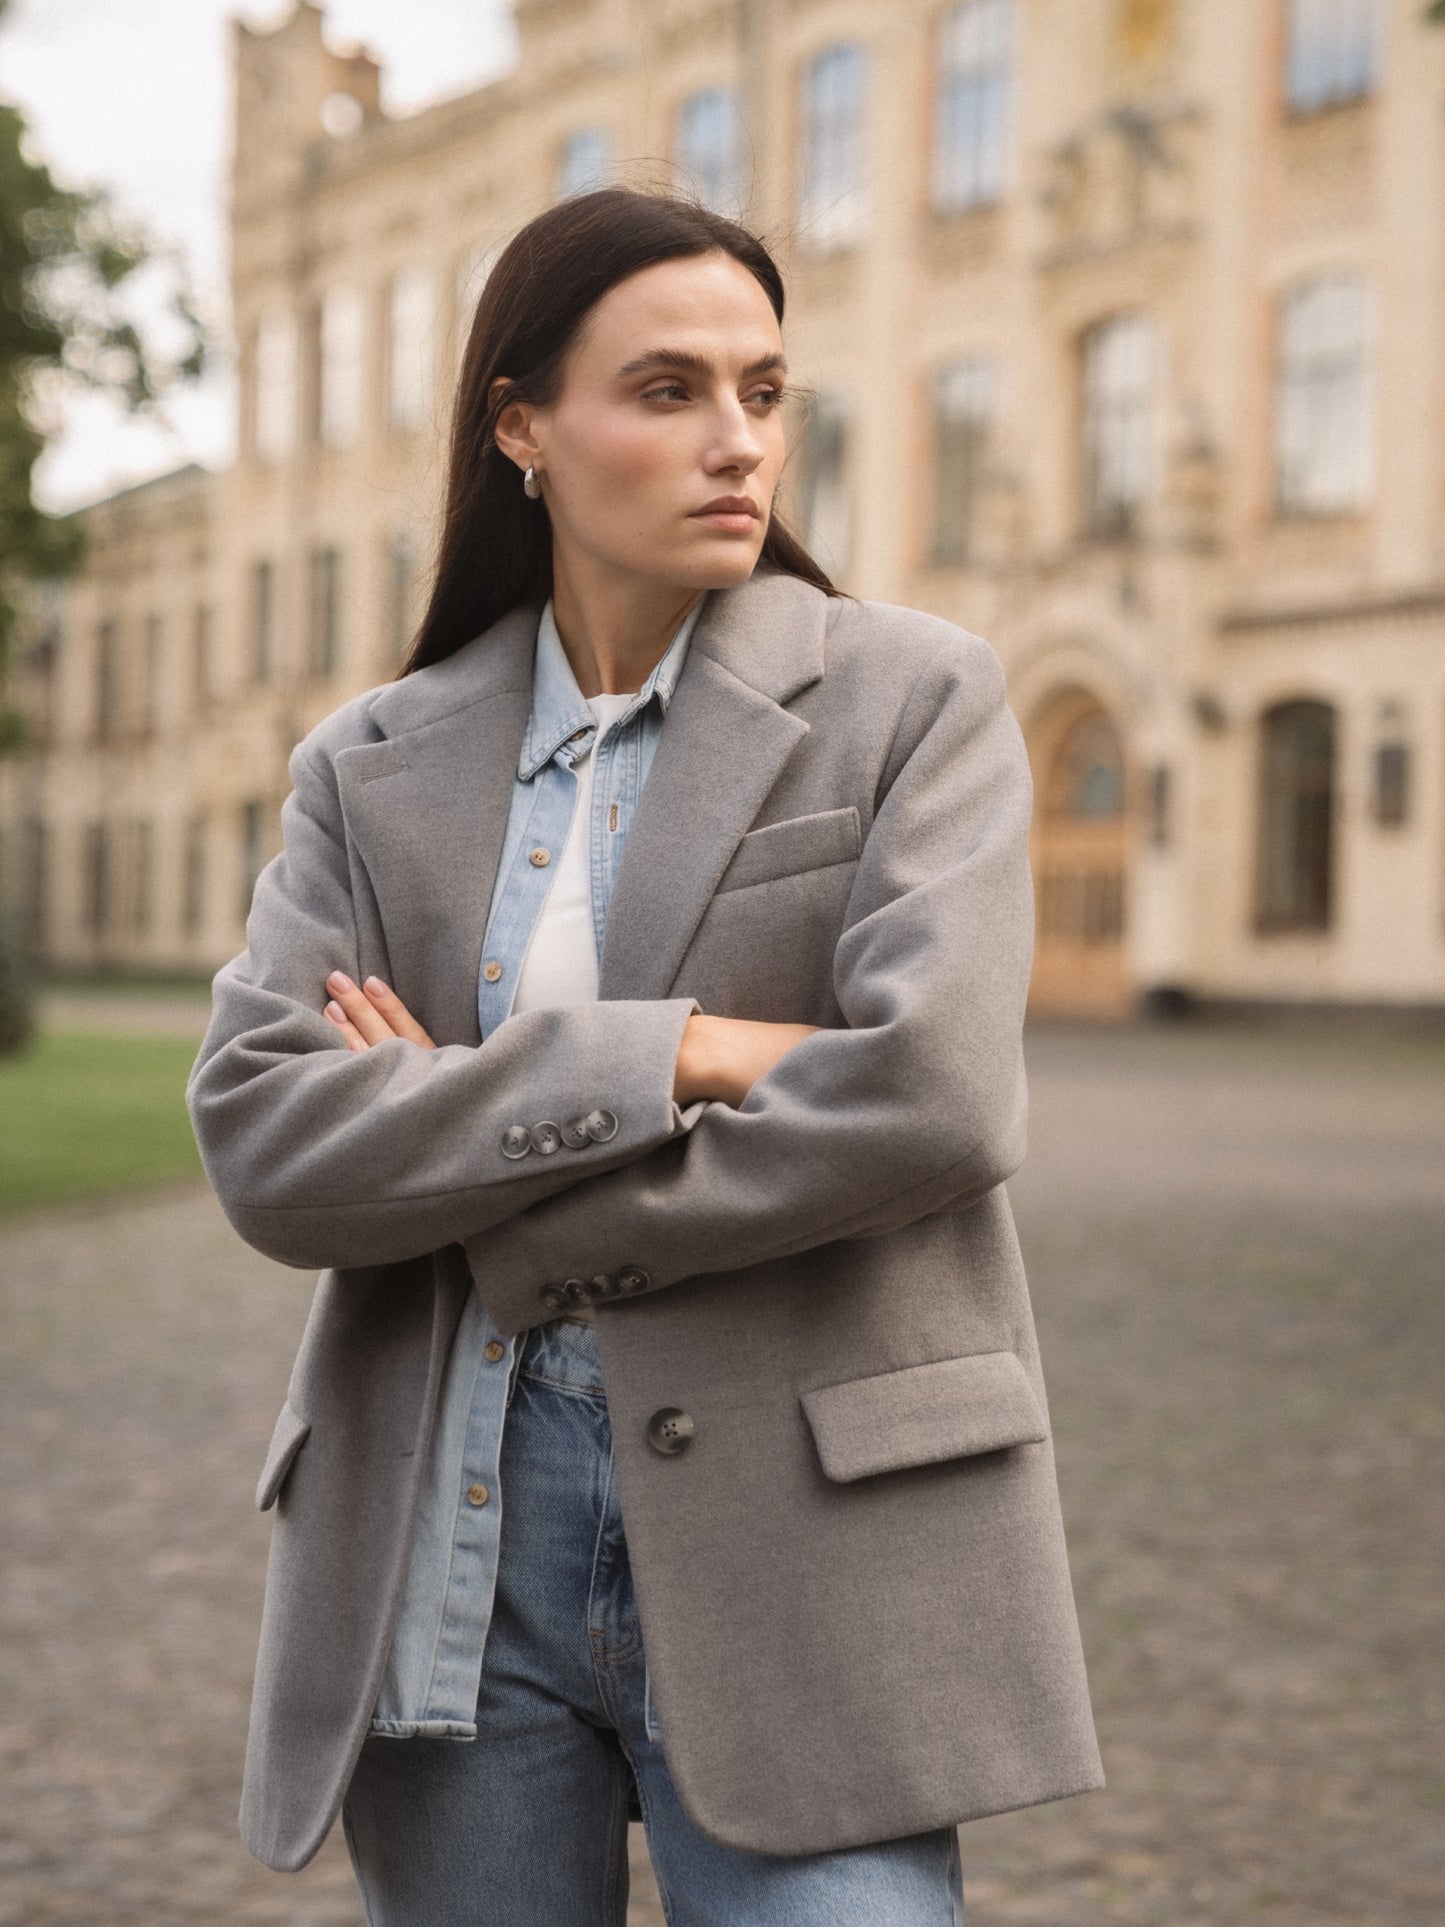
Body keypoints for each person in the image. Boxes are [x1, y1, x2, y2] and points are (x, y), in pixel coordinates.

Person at [188, 186, 1104, 1926]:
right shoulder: (366, 766)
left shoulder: (914, 700)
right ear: (521, 426)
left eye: (763, 392)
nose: (734, 442)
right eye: (668, 391)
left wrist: (483, 1167)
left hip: (814, 1528)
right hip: (451, 1542)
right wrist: (682, 1053)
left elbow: (932, 1098)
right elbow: (268, 1143)